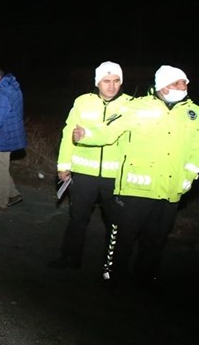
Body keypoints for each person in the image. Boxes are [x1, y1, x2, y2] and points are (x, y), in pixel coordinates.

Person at [73, 64, 199, 291]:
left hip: (169, 190)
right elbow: (110, 129)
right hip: (136, 188)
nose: (184, 87)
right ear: (163, 86)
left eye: (185, 82)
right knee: (123, 237)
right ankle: (111, 277)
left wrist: (188, 177)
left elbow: (195, 151)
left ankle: (147, 279)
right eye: (178, 82)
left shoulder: (193, 114)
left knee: (155, 239)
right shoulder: (138, 107)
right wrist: (86, 134)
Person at [48, 61, 132, 269]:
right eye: (106, 81)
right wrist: (63, 165)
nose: (111, 86)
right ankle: (70, 258)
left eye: (116, 81)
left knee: (116, 224)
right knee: (77, 219)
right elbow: (68, 134)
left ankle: (111, 267)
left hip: (116, 177)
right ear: (97, 82)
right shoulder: (83, 102)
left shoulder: (130, 106)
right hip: (84, 174)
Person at [0, 64, 27, 212]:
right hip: (8, 134)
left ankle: (1, 203)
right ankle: (13, 194)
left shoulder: (1, 93)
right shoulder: (10, 88)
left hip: (1, 136)